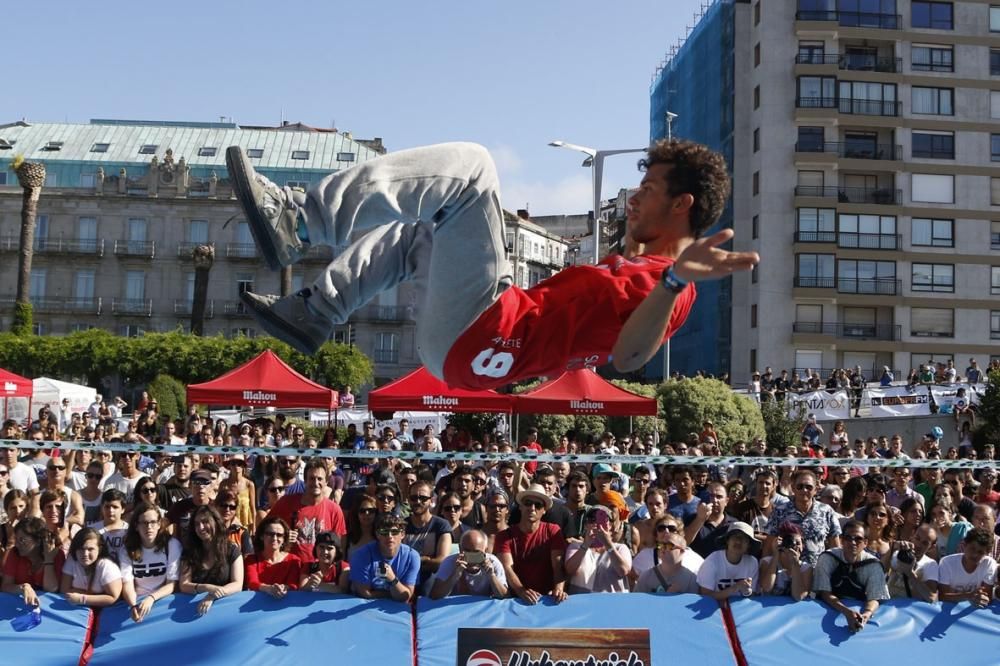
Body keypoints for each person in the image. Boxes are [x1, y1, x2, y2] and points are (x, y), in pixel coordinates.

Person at [225, 140, 757, 388]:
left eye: (647, 189)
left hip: (487, 335)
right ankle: (316, 311)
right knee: (420, 233)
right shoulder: (633, 267)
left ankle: (297, 220)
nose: (634, 199)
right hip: (476, 348)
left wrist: (674, 279)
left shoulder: (672, 288)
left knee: (473, 170)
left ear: (682, 204)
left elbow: (631, 355)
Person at [495, 484, 568, 605]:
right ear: (521, 507)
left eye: (538, 505)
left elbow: (558, 566)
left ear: (544, 510)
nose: (532, 508)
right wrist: (521, 591)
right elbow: (507, 568)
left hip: (547, 600)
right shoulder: (504, 536)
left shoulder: (553, 531)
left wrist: (559, 588)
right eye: (528, 503)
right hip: (515, 601)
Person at [812, 520, 889, 633]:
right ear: (842, 540)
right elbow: (824, 593)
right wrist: (847, 612)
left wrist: (866, 615)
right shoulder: (827, 558)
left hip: (859, 607)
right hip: (828, 607)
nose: (853, 542)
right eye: (848, 538)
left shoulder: (874, 564)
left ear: (865, 543)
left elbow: (875, 597)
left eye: (858, 539)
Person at [266, 460, 347, 563]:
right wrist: (282, 536)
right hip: (290, 567)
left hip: (319, 570)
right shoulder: (286, 503)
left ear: (326, 482)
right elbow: (265, 529)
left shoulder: (334, 510)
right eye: (312, 478)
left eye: (320, 479)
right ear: (304, 480)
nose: (316, 483)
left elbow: (340, 546)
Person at [119, 503, 181, 622]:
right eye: (144, 523)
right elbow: (127, 584)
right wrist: (133, 606)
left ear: (159, 524)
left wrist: (151, 598)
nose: (149, 527)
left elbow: (172, 584)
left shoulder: (172, 545)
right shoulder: (126, 549)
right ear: (136, 526)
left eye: (153, 522)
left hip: (161, 601)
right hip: (136, 601)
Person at [765, 470, 841, 566]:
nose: (804, 490)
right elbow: (768, 546)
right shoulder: (779, 511)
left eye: (809, 487)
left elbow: (835, 546)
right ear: (793, 488)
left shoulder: (826, 511)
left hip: (817, 570)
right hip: (786, 571)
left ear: (816, 489)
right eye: (800, 486)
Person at [178, 505, 245, 616]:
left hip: (225, 612)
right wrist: (205, 588)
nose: (201, 527)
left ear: (216, 522)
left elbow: (238, 584)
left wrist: (212, 595)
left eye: (205, 522)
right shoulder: (190, 551)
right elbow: (184, 585)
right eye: (196, 524)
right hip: (195, 611)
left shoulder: (232, 549)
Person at [349, 514, 420, 602]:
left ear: (402, 534)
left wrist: (392, 579)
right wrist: (395, 593)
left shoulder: (412, 556)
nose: (389, 536)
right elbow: (365, 594)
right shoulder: (361, 555)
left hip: (396, 609)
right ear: (378, 534)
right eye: (384, 532)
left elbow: (406, 597)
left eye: (394, 532)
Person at [564, 504, 633, 594]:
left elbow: (624, 570)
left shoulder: (621, 548)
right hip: (582, 603)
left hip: (613, 603)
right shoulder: (576, 546)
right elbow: (570, 570)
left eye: (602, 520)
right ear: (586, 525)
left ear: (610, 526)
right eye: (592, 520)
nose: (596, 523)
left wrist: (608, 544)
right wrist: (586, 544)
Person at [2, 517, 64, 606]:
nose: (17, 544)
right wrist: (23, 587)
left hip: (48, 607)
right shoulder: (14, 553)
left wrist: (48, 559)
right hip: (22, 604)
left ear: (38, 541)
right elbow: (5, 587)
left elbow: (51, 589)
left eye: (22, 540)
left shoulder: (57, 555)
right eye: (16, 539)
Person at [429, 529, 508, 599]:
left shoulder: (493, 563)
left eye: (476, 552)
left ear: (486, 550)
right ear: (460, 548)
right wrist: (455, 575)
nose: (471, 556)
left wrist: (492, 576)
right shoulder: (449, 562)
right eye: (467, 551)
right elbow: (435, 595)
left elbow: (504, 596)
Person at [403, 480, 452, 590]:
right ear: (408, 500)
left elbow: (441, 562)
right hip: (404, 585)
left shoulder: (441, 525)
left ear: (431, 500)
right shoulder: (401, 526)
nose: (418, 501)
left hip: (431, 588)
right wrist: (426, 559)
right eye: (414, 498)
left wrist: (412, 561)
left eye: (423, 498)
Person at [60, 527, 122, 608]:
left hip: (105, 610)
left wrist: (82, 599)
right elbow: (64, 590)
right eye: (81, 549)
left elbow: (113, 597)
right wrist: (95, 596)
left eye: (90, 549)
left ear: (99, 549)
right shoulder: (72, 559)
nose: (85, 554)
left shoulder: (106, 565)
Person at [697, 522, 759, 600]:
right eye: (735, 537)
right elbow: (705, 596)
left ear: (749, 545)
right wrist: (735, 588)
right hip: (714, 606)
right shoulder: (712, 561)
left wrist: (747, 591)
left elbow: (751, 596)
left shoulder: (752, 562)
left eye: (744, 539)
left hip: (740, 609)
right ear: (727, 541)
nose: (738, 542)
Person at [937, 528, 997, 607]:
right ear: (964, 545)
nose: (975, 554)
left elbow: (987, 597)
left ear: (987, 553)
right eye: (972, 548)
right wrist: (968, 596)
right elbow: (942, 596)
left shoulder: (990, 564)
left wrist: (981, 598)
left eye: (980, 552)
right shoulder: (947, 563)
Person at [244, 517, 302, 599]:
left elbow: (293, 585)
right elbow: (252, 583)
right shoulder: (251, 560)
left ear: (284, 539)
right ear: (261, 536)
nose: (274, 538)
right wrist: (269, 589)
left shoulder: (294, 560)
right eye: (270, 534)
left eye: (279, 535)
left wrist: (282, 588)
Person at [759, 523, 812, 600]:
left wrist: (795, 563)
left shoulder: (806, 568)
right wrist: (776, 554)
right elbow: (766, 588)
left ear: (803, 546)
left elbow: (799, 596)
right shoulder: (767, 562)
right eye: (789, 542)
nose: (795, 546)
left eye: (798, 543)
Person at [886, 524, 938, 603]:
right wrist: (892, 549)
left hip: (910, 612)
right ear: (912, 535)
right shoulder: (895, 554)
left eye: (925, 543)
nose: (918, 544)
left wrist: (910, 573)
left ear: (931, 547)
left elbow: (931, 598)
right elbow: (876, 572)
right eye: (917, 538)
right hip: (886, 607)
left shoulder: (930, 564)